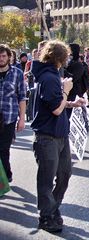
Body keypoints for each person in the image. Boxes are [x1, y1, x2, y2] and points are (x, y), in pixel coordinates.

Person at [31, 40, 86, 232]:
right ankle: (46, 216)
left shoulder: (54, 75)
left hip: (60, 135)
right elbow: (55, 109)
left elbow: (57, 104)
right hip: (47, 137)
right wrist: (66, 91)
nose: (69, 59)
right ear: (60, 57)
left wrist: (72, 102)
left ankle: (53, 209)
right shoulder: (48, 77)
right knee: (47, 178)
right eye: (67, 56)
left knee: (65, 174)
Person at [0, 44, 26, 183]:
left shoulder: (17, 73)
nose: (1, 59)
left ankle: (6, 175)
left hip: (9, 117)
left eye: (4, 56)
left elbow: (22, 97)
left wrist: (22, 119)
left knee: (4, 149)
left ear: (9, 57)